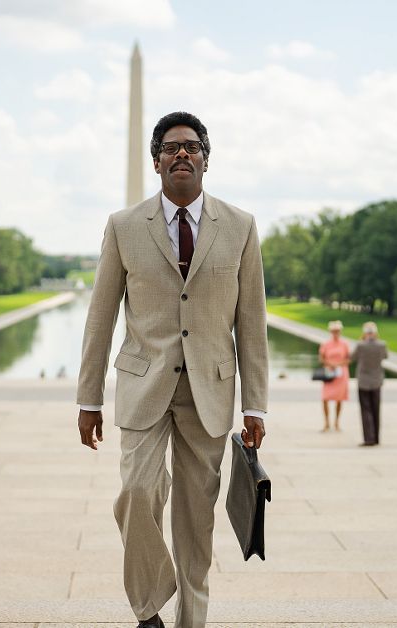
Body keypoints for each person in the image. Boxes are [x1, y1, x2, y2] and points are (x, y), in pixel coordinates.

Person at [77, 111, 269, 628]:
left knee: (195, 520)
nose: (180, 154)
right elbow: (100, 316)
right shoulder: (122, 226)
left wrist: (255, 404)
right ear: (157, 160)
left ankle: (191, 622)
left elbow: (252, 322)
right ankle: (148, 605)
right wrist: (88, 399)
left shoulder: (241, 226)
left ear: (206, 158)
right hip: (144, 384)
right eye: (170, 147)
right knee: (136, 495)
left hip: (209, 389)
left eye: (191, 146)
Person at [352, 321, 388, 446]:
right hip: (377, 381)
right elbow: (385, 356)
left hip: (363, 381)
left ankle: (369, 438)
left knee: (365, 410)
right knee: (376, 409)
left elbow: (353, 357)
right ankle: (376, 438)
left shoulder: (360, 345)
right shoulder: (382, 345)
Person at [319, 320, 350, 432]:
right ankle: (326, 422)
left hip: (341, 373)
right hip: (329, 373)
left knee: (339, 399)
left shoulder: (345, 344)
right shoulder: (326, 344)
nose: (336, 333)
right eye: (334, 331)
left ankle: (336, 422)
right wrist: (330, 364)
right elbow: (321, 358)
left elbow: (348, 358)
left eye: (337, 331)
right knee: (325, 398)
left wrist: (339, 364)